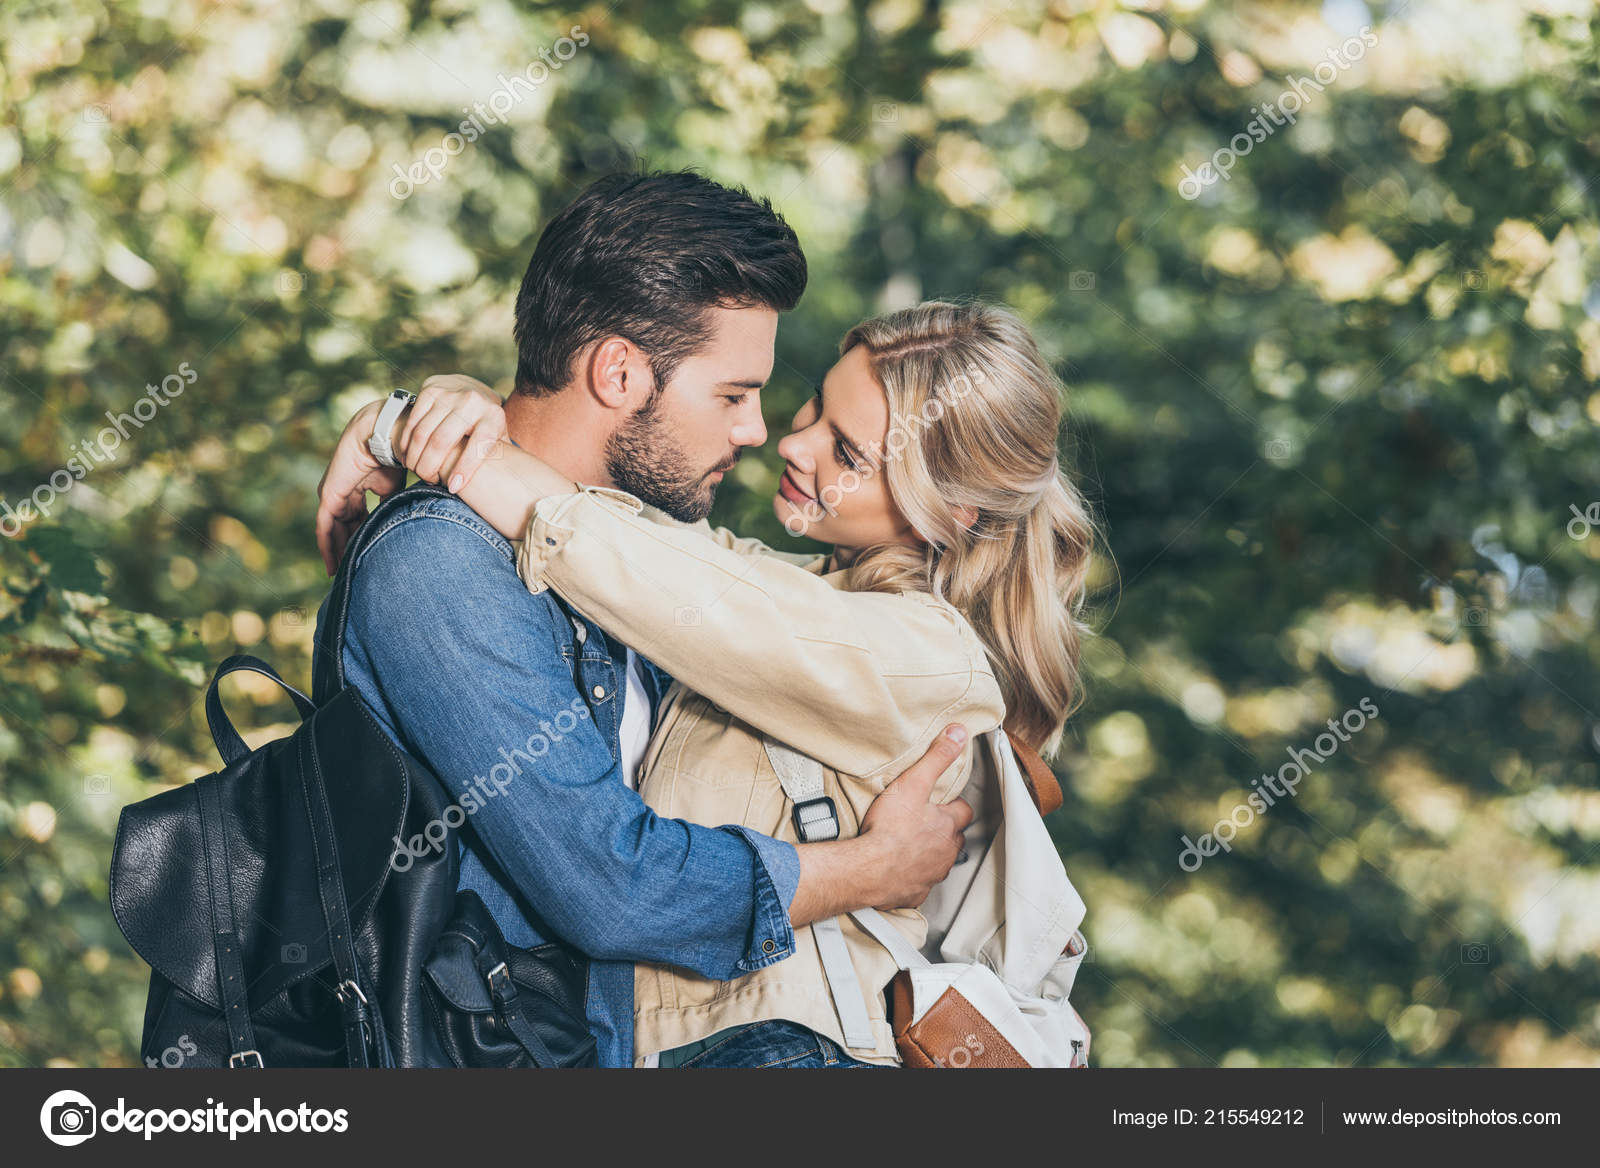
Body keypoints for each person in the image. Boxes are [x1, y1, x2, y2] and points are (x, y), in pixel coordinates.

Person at [318, 298, 1095, 1067]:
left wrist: (441, 437)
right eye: (817, 406)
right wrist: (432, 413)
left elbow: (648, 570)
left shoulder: (923, 652)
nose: (793, 443)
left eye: (847, 453)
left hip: (792, 1054)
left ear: (953, 511)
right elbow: (618, 520)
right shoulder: (793, 590)